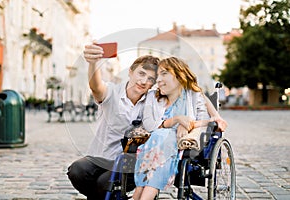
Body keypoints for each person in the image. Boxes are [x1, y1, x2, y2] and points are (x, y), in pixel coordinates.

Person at [67, 42, 160, 200]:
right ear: (130, 72)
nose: (144, 81)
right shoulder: (112, 92)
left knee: (105, 183)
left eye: (150, 79)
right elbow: (96, 87)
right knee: (77, 170)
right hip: (100, 156)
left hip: (129, 162)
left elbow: (184, 90)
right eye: (141, 74)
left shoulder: (153, 100)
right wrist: (93, 63)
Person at [133, 57, 222, 200]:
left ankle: (143, 195)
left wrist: (186, 124)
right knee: (162, 136)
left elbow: (205, 123)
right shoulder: (152, 97)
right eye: (158, 76)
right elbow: (150, 126)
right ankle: (142, 193)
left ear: (179, 75)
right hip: (152, 145)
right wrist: (177, 119)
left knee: (166, 138)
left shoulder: (193, 96)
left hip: (179, 147)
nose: (158, 80)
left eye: (164, 74)